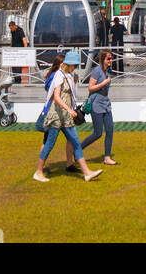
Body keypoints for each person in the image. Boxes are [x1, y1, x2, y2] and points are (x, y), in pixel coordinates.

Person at [33, 51, 101, 184]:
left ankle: (87, 172)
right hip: (57, 115)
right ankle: (38, 171)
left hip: (66, 117)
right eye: (74, 65)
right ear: (68, 64)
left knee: (75, 142)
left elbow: (70, 94)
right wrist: (69, 109)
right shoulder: (58, 75)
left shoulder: (69, 75)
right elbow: (57, 97)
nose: (76, 67)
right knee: (49, 144)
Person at [81, 49, 117, 166]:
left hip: (105, 102)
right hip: (96, 103)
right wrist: (103, 83)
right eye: (108, 58)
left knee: (110, 130)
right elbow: (90, 88)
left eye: (111, 58)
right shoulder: (97, 71)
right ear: (103, 59)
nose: (111, 60)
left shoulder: (108, 71)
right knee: (97, 133)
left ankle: (107, 158)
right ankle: (78, 150)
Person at [8, 19, 28, 85]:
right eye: (10, 28)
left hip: (19, 50)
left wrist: (26, 50)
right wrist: (10, 47)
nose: (11, 30)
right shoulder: (12, 31)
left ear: (14, 26)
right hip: (13, 49)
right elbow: (12, 38)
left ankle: (18, 79)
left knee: (18, 66)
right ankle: (15, 78)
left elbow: (24, 40)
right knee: (13, 65)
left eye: (11, 28)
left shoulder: (20, 30)